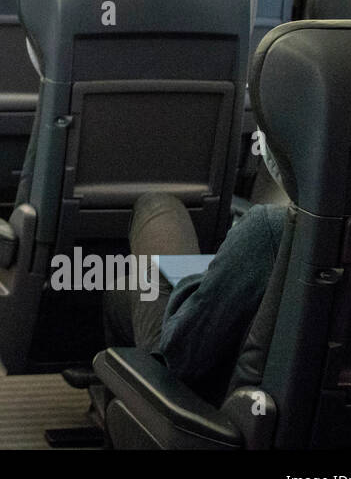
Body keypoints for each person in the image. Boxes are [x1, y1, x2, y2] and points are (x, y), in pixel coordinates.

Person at [102, 146, 288, 406]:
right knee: (127, 289)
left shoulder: (269, 229)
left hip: (204, 402)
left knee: (155, 206)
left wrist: (198, 279)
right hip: (294, 408)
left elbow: (183, 356)